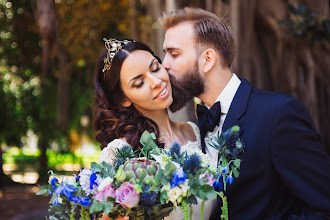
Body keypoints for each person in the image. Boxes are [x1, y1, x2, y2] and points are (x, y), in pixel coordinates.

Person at [160, 7, 330, 220]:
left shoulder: (278, 114)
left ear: (208, 59)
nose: (164, 64)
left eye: (174, 54)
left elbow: (324, 208)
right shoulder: (196, 129)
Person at [93, 38, 216, 220]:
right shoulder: (120, 153)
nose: (156, 81)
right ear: (123, 99)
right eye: (139, 83)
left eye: (155, 68)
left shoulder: (195, 132)